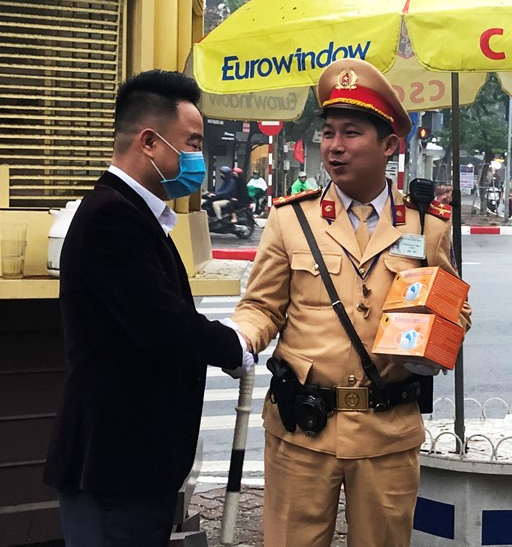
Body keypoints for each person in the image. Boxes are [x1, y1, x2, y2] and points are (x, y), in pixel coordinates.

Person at [231, 58, 471, 547]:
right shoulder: (291, 220)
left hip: (387, 432)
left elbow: (455, 307)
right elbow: (261, 306)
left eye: (352, 133)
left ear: (389, 146)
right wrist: (237, 338)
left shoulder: (426, 226)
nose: (335, 147)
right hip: (303, 430)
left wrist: (436, 343)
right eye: (329, 133)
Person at [43, 70, 254, 546]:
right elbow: (162, 325)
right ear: (150, 142)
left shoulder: (135, 214)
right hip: (115, 466)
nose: (198, 157)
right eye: (192, 141)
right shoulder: (111, 217)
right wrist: (234, 344)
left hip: (134, 465)